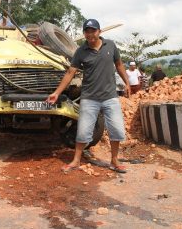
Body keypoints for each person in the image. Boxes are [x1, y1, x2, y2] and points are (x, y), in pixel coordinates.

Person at [46, 19, 130, 174]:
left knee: (116, 130)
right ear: (84, 33)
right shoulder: (81, 51)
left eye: (93, 31)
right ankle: (76, 161)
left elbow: (119, 65)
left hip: (110, 96)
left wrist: (127, 83)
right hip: (89, 98)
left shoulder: (110, 45)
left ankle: (114, 160)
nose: (90, 34)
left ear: (99, 32)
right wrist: (56, 92)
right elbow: (70, 72)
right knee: (83, 132)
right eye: (87, 31)